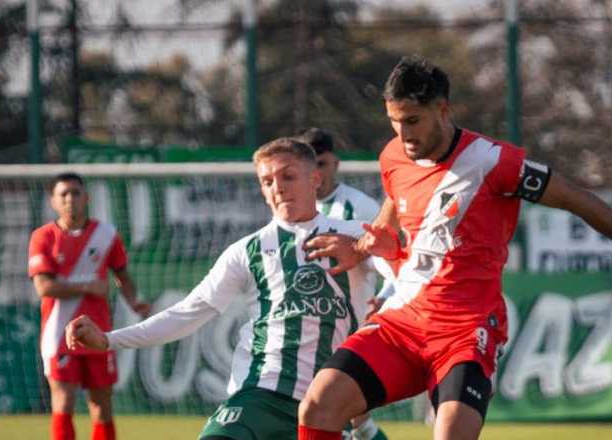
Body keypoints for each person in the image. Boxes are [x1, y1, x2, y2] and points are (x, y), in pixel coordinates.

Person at [296, 55, 612, 440]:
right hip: (403, 322)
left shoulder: (494, 162)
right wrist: (366, 245)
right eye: (394, 121)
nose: (403, 134)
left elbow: (577, 198)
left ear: (443, 109)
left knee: (451, 432)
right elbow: (394, 202)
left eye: (412, 120)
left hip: (464, 330)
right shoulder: (394, 156)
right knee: (318, 405)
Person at [65, 138, 388, 440]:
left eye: (288, 176)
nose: (278, 188)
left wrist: (382, 294)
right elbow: (189, 312)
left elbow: (407, 275)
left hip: (329, 404)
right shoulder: (247, 251)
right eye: (267, 181)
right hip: (260, 394)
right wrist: (109, 340)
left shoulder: (354, 236)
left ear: (315, 180)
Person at [29, 172, 150, 440]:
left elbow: (123, 276)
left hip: (98, 332)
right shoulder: (43, 237)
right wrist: (87, 287)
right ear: (53, 201)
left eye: (75, 193)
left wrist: (136, 301)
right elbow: (43, 287)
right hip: (58, 333)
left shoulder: (106, 235)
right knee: (63, 402)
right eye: (63, 194)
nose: (70, 199)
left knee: (102, 406)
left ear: (87, 197)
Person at [298, 127, 389, 440]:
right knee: (341, 420)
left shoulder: (359, 206)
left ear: (335, 163)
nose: (317, 173)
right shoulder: (293, 209)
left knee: (343, 418)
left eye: (321, 164)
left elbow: (390, 255)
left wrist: (387, 296)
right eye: (310, 166)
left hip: (350, 323)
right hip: (308, 325)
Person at [299, 127, 381, 222]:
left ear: (335, 164)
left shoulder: (361, 206)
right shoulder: (289, 209)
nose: (315, 173)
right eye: (308, 166)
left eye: (321, 164)